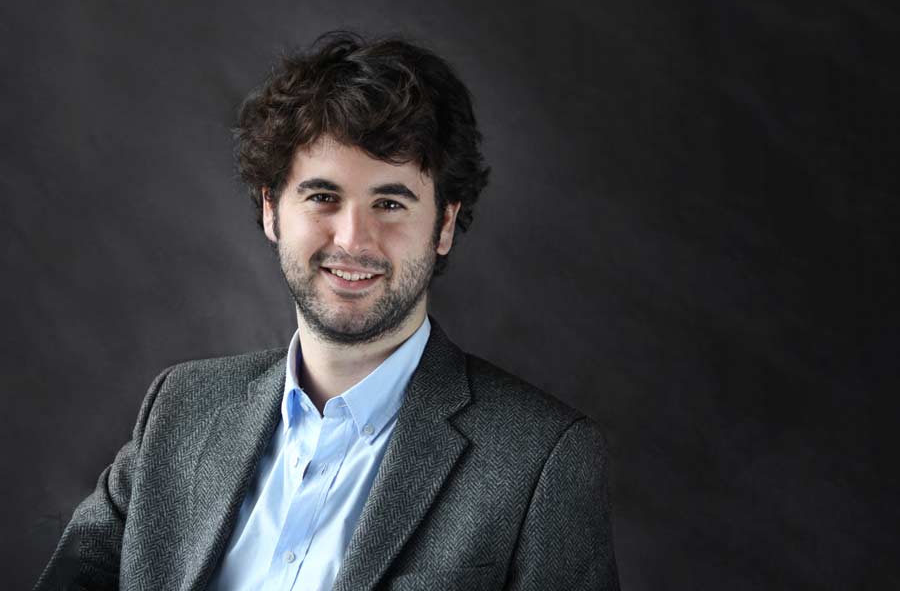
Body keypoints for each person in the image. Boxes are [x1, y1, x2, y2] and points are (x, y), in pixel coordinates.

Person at [35, 32, 620, 590]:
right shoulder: (179, 410)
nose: (352, 239)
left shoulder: (541, 460)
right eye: (322, 196)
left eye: (390, 203)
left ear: (443, 224)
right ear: (272, 210)